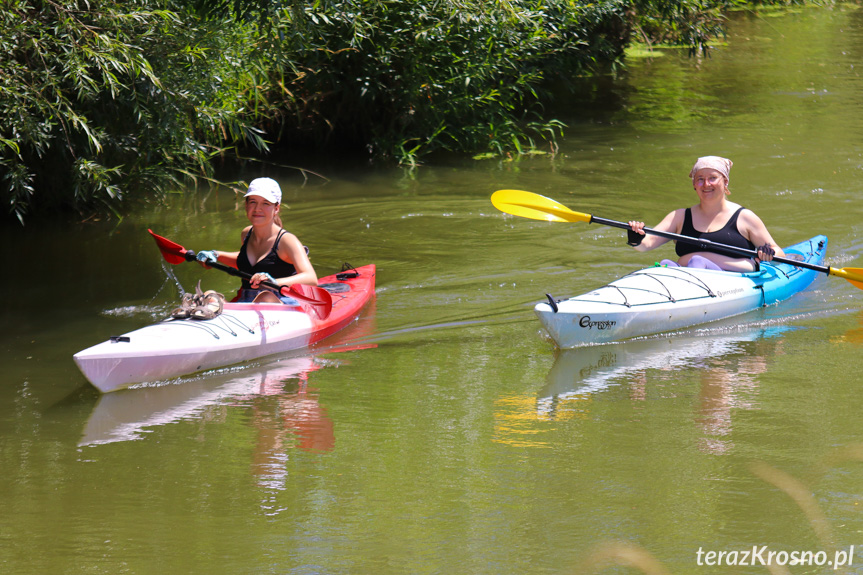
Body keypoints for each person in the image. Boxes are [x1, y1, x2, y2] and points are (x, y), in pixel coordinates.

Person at [627, 156, 784, 272]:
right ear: (694, 185)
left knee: (697, 261)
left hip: (733, 282)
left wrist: (769, 252)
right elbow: (645, 245)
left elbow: (780, 255)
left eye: (713, 178)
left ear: (725, 181)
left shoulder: (745, 217)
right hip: (689, 275)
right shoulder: (679, 217)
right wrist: (636, 237)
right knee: (664, 264)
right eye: (700, 179)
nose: (706, 184)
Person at [196, 177, 318, 303]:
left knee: (265, 297)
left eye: (266, 203)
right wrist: (216, 254)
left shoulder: (287, 241)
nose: (257, 209)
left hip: (278, 301)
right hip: (247, 301)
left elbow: (311, 278)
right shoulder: (246, 234)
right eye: (253, 202)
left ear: (276, 208)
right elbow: (246, 262)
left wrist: (275, 282)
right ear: (246, 205)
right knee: (209, 296)